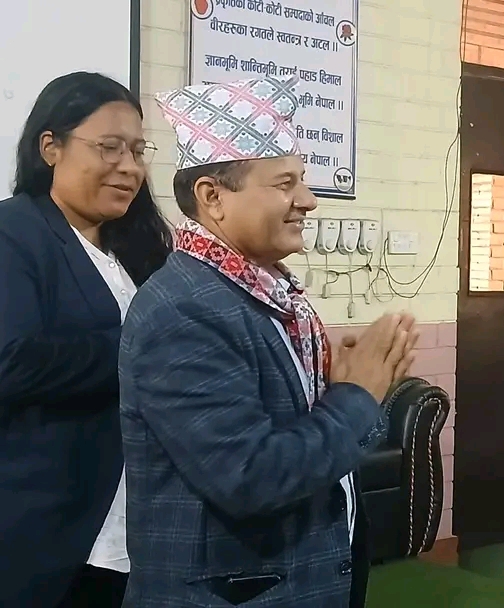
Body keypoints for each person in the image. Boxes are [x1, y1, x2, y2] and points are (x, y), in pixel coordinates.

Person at [118, 75, 417, 607]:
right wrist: (356, 397)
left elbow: (311, 441)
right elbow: (251, 477)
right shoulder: (183, 309)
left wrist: (345, 389)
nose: (308, 201)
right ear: (213, 197)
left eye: (302, 180)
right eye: (284, 184)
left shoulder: (263, 293)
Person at [0, 71, 172, 608]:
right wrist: (147, 348)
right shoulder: (14, 232)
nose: (130, 166)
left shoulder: (140, 247)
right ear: (50, 147)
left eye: (138, 151)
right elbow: (11, 361)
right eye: (109, 147)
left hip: (138, 525)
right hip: (50, 531)